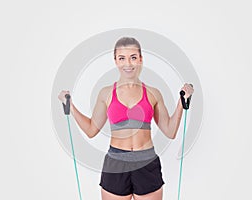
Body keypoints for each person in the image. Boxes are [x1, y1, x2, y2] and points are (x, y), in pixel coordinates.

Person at [58, 37, 194, 200]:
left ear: (141, 59)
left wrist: (182, 101)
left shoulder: (153, 93)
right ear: (115, 61)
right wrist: (70, 105)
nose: (128, 64)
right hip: (115, 164)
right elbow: (91, 130)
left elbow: (170, 131)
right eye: (122, 58)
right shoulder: (106, 93)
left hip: (147, 163)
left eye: (133, 57)